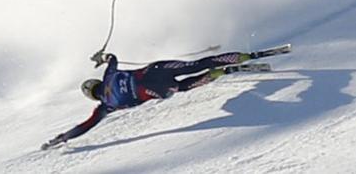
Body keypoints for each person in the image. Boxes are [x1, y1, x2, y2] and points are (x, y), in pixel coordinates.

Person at [41, 50, 256, 150]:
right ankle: (246, 56)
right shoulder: (109, 75)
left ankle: (219, 74)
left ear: (91, 96)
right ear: (95, 82)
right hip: (156, 70)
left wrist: (64, 137)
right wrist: (102, 58)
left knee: (181, 87)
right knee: (196, 64)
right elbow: (112, 58)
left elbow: (86, 126)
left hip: (160, 90)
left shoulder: (105, 107)